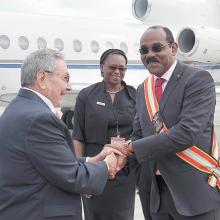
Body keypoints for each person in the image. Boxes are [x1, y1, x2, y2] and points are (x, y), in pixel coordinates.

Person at [108, 26, 220, 220]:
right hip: (156, 194)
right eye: (144, 50)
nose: (150, 54)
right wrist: (118, 156)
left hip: (193, 194)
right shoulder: (144, 89)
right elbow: (139, 133)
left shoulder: (198, 80)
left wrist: (132, 147)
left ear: (174, 48)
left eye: (157, 47)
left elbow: (187, 133)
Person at [0, 48, 122, 220]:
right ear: (42, 78)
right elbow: (73, 177)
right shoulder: (39, 119)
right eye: (65, 78)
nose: (69, 86)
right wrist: (107, 165)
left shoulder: (18, 108)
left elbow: (49, 161)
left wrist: (91, 160)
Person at [72, 49, 137, 220]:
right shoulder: (86, 95)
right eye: (113, 67)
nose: (117, 72)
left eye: (122, 68)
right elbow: (78, 135)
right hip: (94, 169)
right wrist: (80, 173)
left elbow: (140, 132)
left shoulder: (135, 96)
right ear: (102, 67)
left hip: (125, 171)